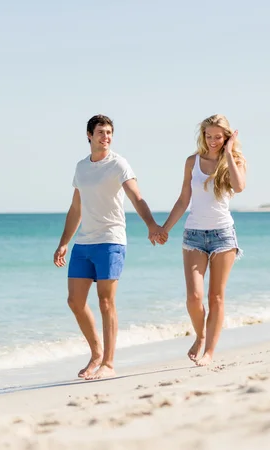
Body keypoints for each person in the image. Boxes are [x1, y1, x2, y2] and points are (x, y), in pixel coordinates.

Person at [53, 114, 167, 380]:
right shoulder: (81, 167)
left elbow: (136, 197)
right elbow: (76, 207)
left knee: (106, 302)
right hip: (84, 242)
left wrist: (152, 225)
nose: (106, 137)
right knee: (75, 301)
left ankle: (109, 362)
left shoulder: (119, 164)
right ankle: (96, 354)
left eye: (109, 132)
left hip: (111, 240)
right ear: (89, 136)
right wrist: (64, 243)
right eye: (101, 132)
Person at [159, 114, 246, 366]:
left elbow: (239, 187)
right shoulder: (192, 161)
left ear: (227, 137)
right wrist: (164, 228)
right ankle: (200, 335)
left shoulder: (235, 160)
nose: (212, 141)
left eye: (218, 137)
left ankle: (209, 351)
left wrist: (228, 153)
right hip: (194, 234)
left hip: (223, 235)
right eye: (208, 136)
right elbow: (183, 199)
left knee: (216, 297)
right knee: (194, 298)